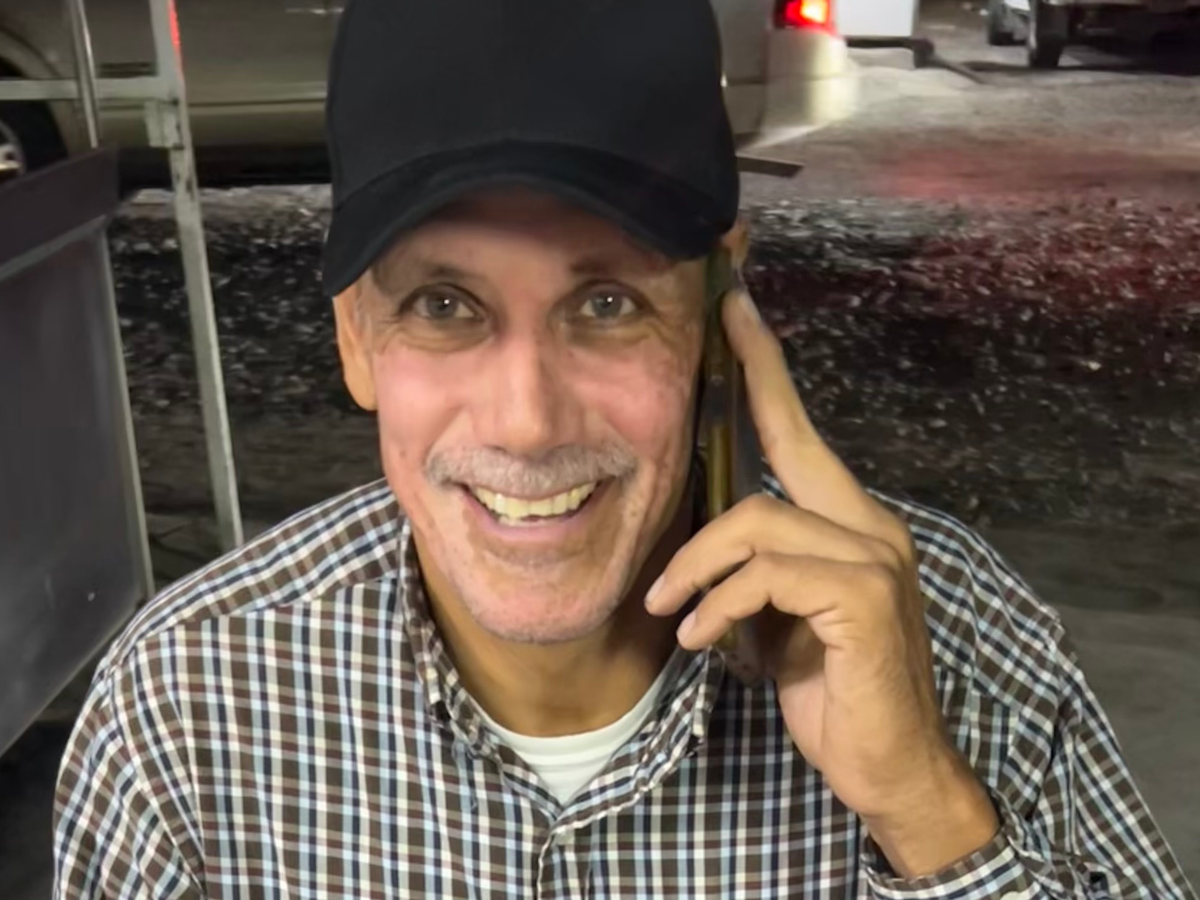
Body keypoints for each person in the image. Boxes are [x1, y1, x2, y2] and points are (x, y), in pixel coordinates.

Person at [53, 1, 1195, 897]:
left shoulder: (959, 641)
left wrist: (927, 809)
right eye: (444, 306)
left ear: (719, 307)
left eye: (607, 305)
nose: (526, 422)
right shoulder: (190, 707)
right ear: (355, 336)